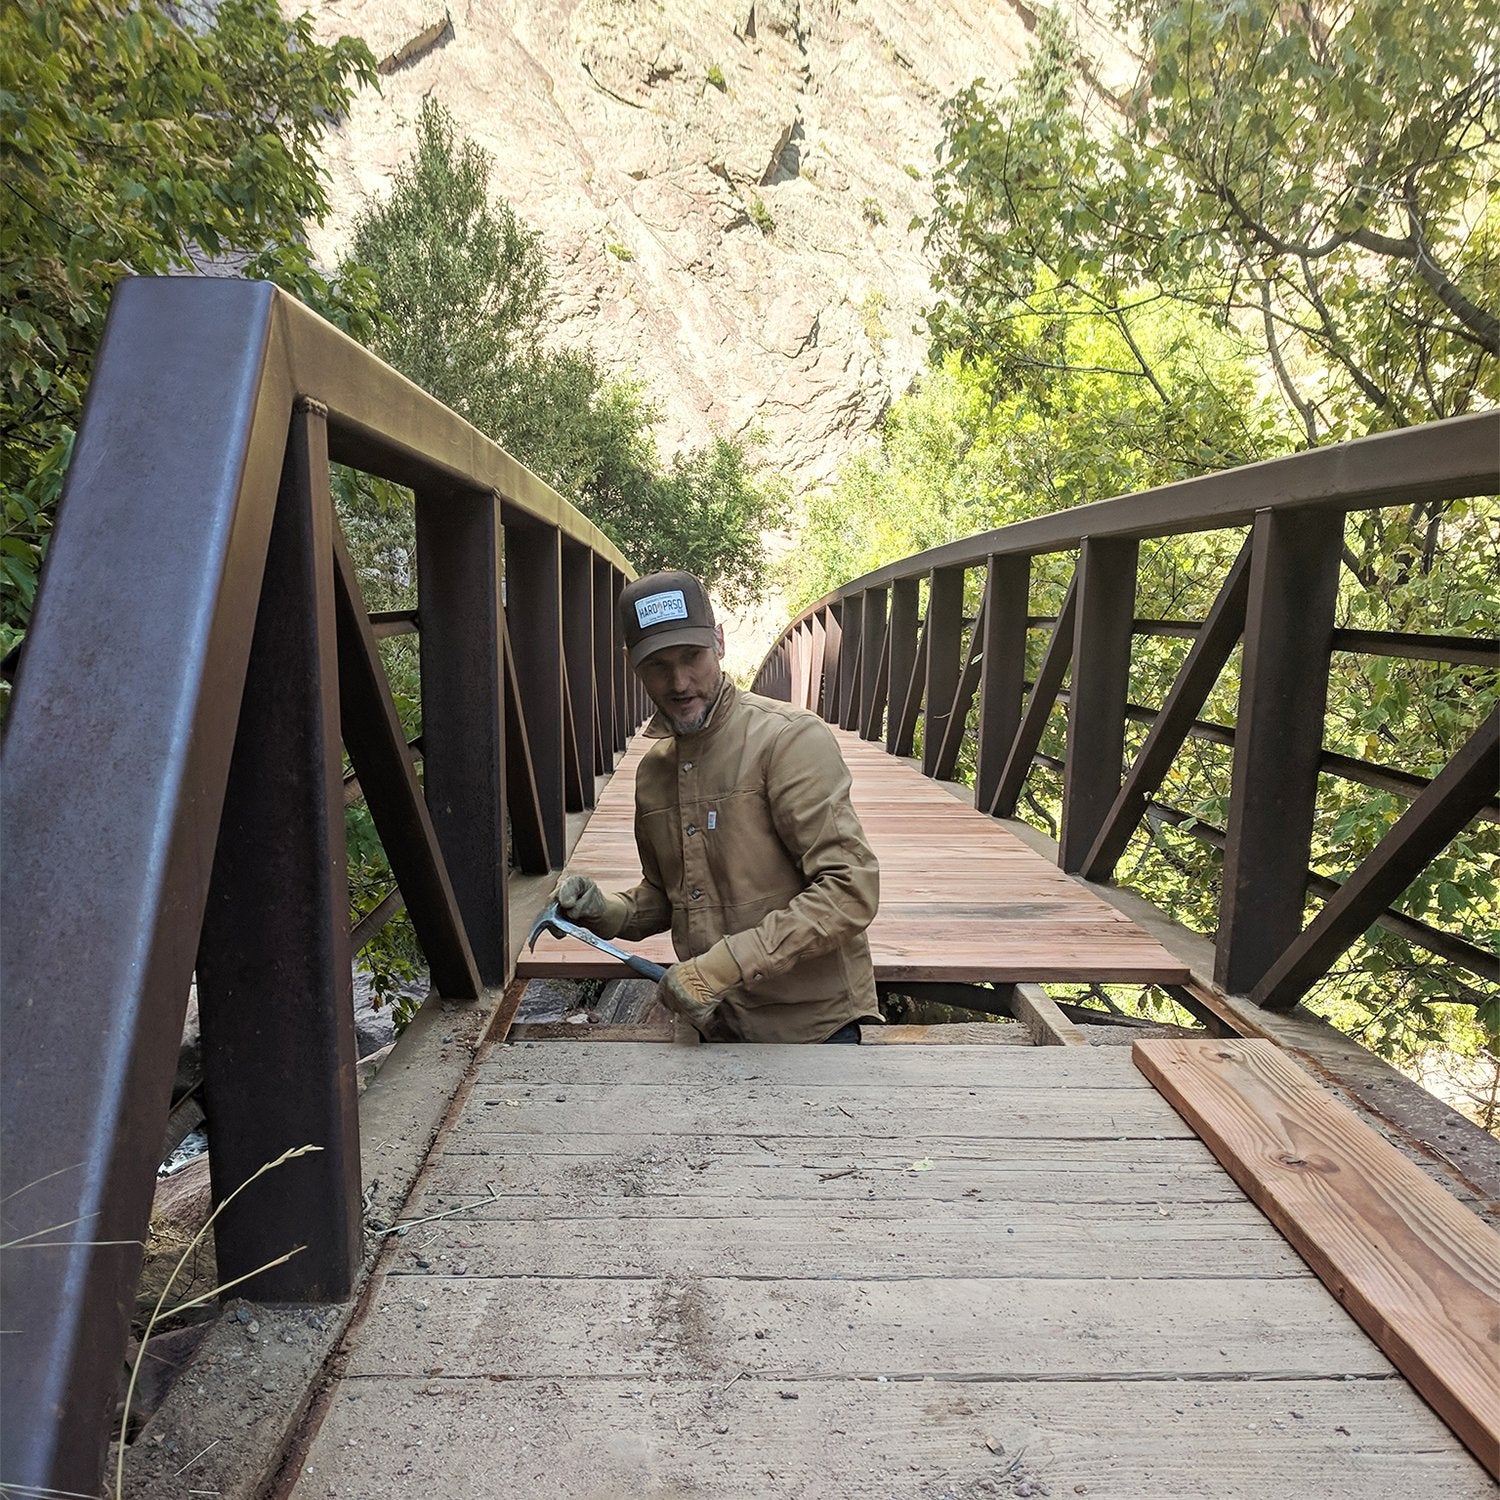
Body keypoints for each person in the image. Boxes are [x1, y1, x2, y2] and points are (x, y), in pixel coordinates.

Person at [553, 569, 881, 1043]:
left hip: (815, 1031)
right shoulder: (653, 773)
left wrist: (719, 968)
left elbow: (851, 890)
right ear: (632, 666)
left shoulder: (789, 740)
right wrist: (605, 911)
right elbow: (672, 896)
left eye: (692, 657)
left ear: (720, 642)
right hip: (714, 1028)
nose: (680, 682)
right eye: (657, 666)